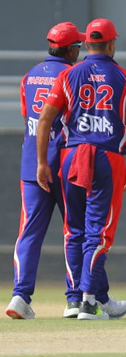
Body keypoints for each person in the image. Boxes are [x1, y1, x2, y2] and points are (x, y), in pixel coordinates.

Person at [36, 18, 126, 320]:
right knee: (98, 234)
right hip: (107, 157)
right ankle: (89, 302)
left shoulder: (69, 74)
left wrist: (40, 162)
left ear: (87, 44)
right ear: (112, 44)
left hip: (72, 153)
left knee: (73, 230)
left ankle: (75, 300)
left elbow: (45, 119)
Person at [5, 22, 84, 320]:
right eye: (78, 45)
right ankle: (75, 300)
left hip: (32, 164)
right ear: (71, 49)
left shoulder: (29, 76)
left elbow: (31, 119)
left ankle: (20, 297)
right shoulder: (73, 75)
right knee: (74, 230)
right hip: (66, 163)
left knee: (28, 233)